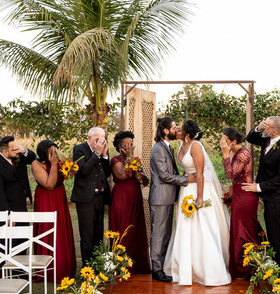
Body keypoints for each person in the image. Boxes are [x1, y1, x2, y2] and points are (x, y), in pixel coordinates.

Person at [165, 120, 230, 286]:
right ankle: (185, 267)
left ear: (187, 134)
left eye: (179, 129)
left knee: (202, 227)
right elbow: (185, 170)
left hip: (198, 189)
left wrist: (200, 198)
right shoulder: (181, 146)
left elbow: (200, 174)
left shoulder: (196, 146)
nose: (176, 131)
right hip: (186, 189)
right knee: (185, 226)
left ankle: (209, 271)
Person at [243, 116, 280, 279]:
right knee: (273, 236)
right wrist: (258, 128)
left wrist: (258, 187)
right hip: (270, 197)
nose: (263, 127)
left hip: (279, 199)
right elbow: (250, 138)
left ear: (274, 131)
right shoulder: (268, 139)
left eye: (266, 126)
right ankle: (278, 270)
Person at [148, 117, 192, 282]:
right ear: (165, 131)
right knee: (158, 234)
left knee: (165, 234)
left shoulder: (167, 147)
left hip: (167, 197)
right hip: (160, 198)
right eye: (174, 128)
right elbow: (164, 175)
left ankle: (163, 265)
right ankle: (156, 270)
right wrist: (186, 180)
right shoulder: (159, 149)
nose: (176, 130)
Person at [30, 140, 77, 280]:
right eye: (51, 151)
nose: (54, 153)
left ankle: (63, 265)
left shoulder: (59, 158)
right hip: (46, 197)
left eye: (55, 149)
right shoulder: (36, 164)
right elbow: (49, 185)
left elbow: (71, 173)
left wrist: (65, 163)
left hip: (59, 196)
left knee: (61, 228)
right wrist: (55, 164)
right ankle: (47, 269)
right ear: (44, 152)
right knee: (47, 228)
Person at [221, 127, 261, 279]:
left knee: (245, 231)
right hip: (238, 194)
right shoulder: (233, 152)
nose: (222, 142)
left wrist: (225, 154)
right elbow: (233, 178)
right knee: (237, 230)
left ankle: (247, 268)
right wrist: (230, 194)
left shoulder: (243, 153)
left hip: (246, 196)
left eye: (225, 139)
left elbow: (230, 173)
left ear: (233, 141)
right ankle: (240, 267)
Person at [71, 126, 113, 266]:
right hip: (85, 198)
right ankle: (87, 268)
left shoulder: (102, 151)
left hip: (100, 197)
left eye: (103, 139)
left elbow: (107, 173)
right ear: (89, 138)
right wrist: (96, 154)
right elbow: (83, 170)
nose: (101, 142)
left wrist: (105, 156)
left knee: (98, 232)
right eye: (97, 139)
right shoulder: (79, 149)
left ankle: (97, 265)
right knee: (87, 234)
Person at [108, 130, 150, 272]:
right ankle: (119, 265)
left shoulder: (136, 160)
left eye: (131, 143)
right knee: (122, 228)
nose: (131, 146)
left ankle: (136, 266)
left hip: (135, 196)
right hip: (121, 197)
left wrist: (142, 175)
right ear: (120, 146)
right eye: (127, 144)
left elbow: (145, 181)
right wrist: (128, 158)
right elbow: (122, 175)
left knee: (135, 228)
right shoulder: (115, 160)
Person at [0, 135, 35, 213]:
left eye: (17, 147)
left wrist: (24, 150)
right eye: (14, 149)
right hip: (7, 206)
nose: (17, 151)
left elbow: (32, 158)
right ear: (5, 152)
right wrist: (7, 215)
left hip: (21, 203)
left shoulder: (18, 154)